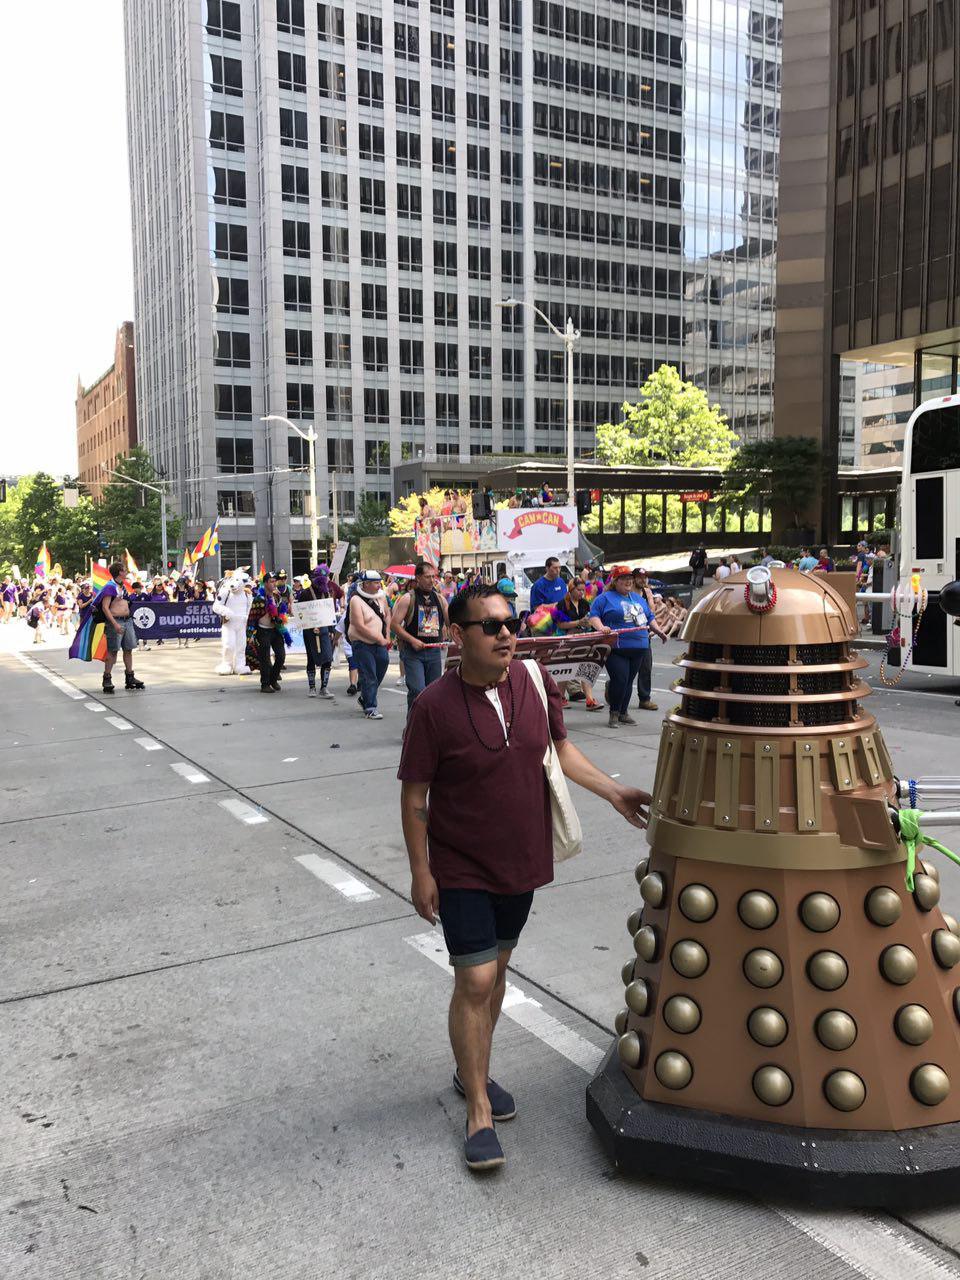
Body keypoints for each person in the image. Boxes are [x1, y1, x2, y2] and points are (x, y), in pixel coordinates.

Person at [398, 581, 652, 1172]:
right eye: (491, 625)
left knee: (499, 971)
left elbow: (560, 752)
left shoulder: (534, 684)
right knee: (477, 979)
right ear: (458, 638)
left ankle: (471, 1070)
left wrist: (613, 790)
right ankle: (479, 1106)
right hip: (460, 863)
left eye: (510, 622)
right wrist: (420, 870)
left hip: (522, 858)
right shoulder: (433, 706)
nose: (507, 633)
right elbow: (416, 796)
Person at [589, 565, 667, 725]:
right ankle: (614, 713)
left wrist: (658, 631)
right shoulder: (605, 598)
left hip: (639, 647)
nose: (628, 581)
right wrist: (602, 628)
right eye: (624, 579)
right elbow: (594, 616)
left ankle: (623, 712)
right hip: (617, 647)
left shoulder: (638, 598)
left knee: (628, 680)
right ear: (615, 581)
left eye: (630, 579)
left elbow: (649, 616)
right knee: (620, 679)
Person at [391, 560, 450, 712]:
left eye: (433, 577)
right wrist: (413, 640)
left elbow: (452, 622)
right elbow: (394, 625)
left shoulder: (440, 599)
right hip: (413, 653)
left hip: (434, 652)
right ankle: (412, 726)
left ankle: (429, 729)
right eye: (427, 577)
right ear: (417, 578)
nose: (432, 580)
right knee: (417, 691)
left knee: (434, 694)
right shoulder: (407, 599)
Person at [555, 578, 603, 711]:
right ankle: (560, 697)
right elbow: (560, 624)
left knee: (585, 667)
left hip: (583, 639)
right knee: (565, 669)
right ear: (571, 589)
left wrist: (588, 624)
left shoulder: (584, 603)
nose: (582, 593)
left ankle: (589, 699)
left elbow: (589, 620)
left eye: (583, 590)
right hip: (565, 640)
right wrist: (578, 622)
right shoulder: (562, 604)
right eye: (579, 590)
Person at [348, 569, 391, 720]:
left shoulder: (382, 597)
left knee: (383, 664)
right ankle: (370, 707)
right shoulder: (355, 600)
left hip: (379, 642)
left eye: (379, 582)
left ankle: (365, 696)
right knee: (369, 675)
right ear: (365, 584)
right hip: (362, 643)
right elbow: (359, 625)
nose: (379, 585)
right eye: (375, 582)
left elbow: (387, 615)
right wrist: (379, 639)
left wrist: (387, 634)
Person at [100, 562, 145, 694]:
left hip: (127, 620)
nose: (126, 572)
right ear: (119, 572)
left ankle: (130, 677)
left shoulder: (122, 586)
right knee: (113, 651)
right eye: (124, 570)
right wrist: (114, 624)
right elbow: (105, 607)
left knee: (128, 649)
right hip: (116, 621)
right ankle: (107, 678)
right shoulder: (110, 587)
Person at [296, 573, 336, 699]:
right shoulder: (305, 594)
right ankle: (312, 687)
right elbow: (300, 613)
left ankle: (324, 687)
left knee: (328, 658)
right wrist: (310, 625)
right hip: (309, 630)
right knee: (311, 657)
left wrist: (331, 629)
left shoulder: (327, 593)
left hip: (324, 630)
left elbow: (330, 613)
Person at [248, 573, 290, 692]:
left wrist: (281, 618)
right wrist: (251, 634)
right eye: (271, 581)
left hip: (275, 630)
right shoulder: (259, 598)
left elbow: (282, 612)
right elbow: (252, 617)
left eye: (274, 581)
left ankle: (273, 679)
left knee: (281, 656)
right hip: (263, 631)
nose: (274, 584)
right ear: (265, 583)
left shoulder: (277, 597)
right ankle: (265, 684)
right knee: (265, 659)